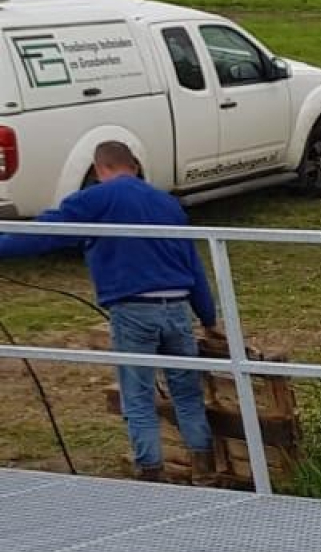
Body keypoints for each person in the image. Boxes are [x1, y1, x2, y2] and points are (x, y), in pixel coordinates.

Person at [0, 141, 222, 483]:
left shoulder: (95, 198)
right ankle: (205, 469)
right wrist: (208, 318)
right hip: (178, 308)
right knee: (186, 391)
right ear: (133, 166)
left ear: (100, 168)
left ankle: (151, 474)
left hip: (134, 310)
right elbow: (193, 266)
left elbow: (45, 234)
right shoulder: (167, 203)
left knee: (138, 395)